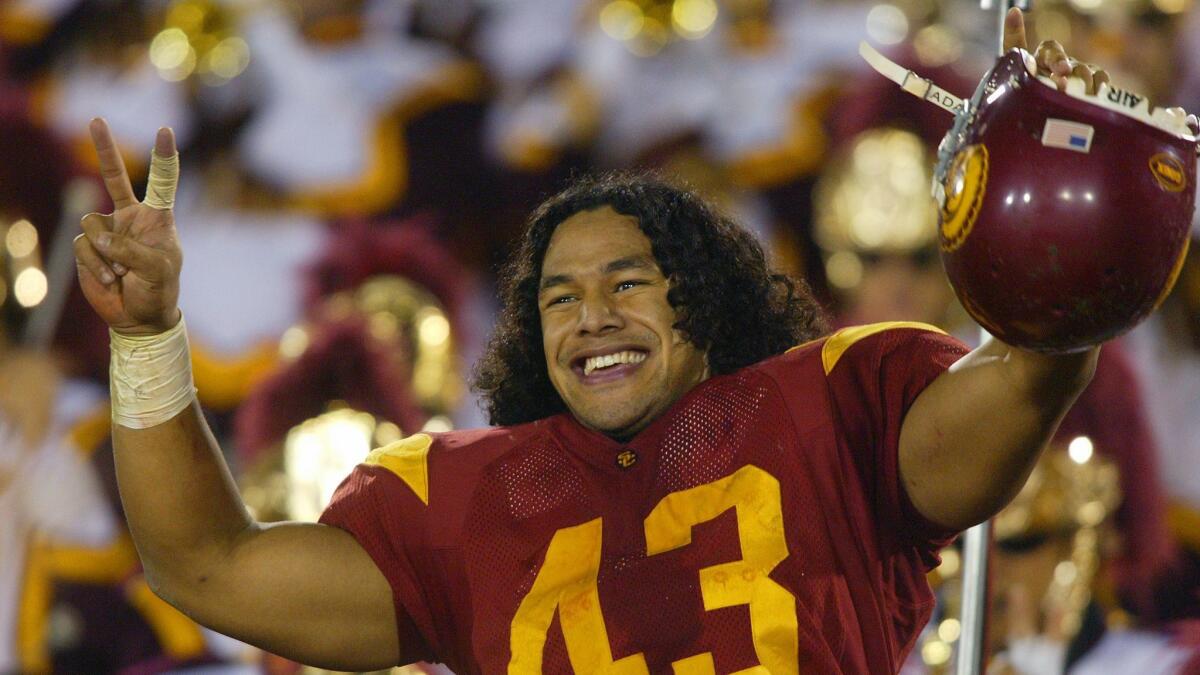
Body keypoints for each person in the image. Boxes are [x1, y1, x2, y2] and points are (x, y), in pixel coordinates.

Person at [72, 10, 1115, 672]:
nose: (592, 316)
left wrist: (1077, 203)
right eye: (559, 299)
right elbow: (205, 569)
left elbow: (1030, 375)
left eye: (628, 282)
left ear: (701, 302)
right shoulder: (461, 503)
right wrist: (151, 337)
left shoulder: (834, 411)